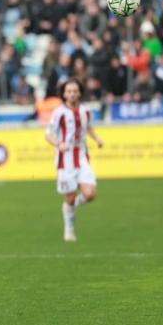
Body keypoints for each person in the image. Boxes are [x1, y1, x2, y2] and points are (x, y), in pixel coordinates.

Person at [45, 78, 104, 242]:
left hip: (82, 157)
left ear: (80, 93)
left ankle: (69, 207)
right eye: (69, 91)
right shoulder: (59, 113)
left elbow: (89, 127)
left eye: (75, 91)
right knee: (69, 196)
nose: (72, 94)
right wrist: (59, 144)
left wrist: (97, 139)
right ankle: (69, 229)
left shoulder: (85, 111)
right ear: (64, 94)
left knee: (90, 194)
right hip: (66, 160)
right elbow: (48, 135)